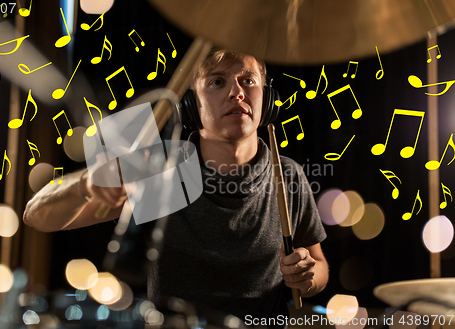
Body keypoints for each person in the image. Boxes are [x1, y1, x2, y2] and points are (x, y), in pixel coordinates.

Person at [23, 49, 328, 323]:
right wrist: (88, 183)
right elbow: (36, 216)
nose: (237, 92)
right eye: (217, 82)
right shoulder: (164, 171)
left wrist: (309, 275)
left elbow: (318, 266)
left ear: (267, 97)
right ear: (191, 105)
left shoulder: (286, 175)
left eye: (248, 81)